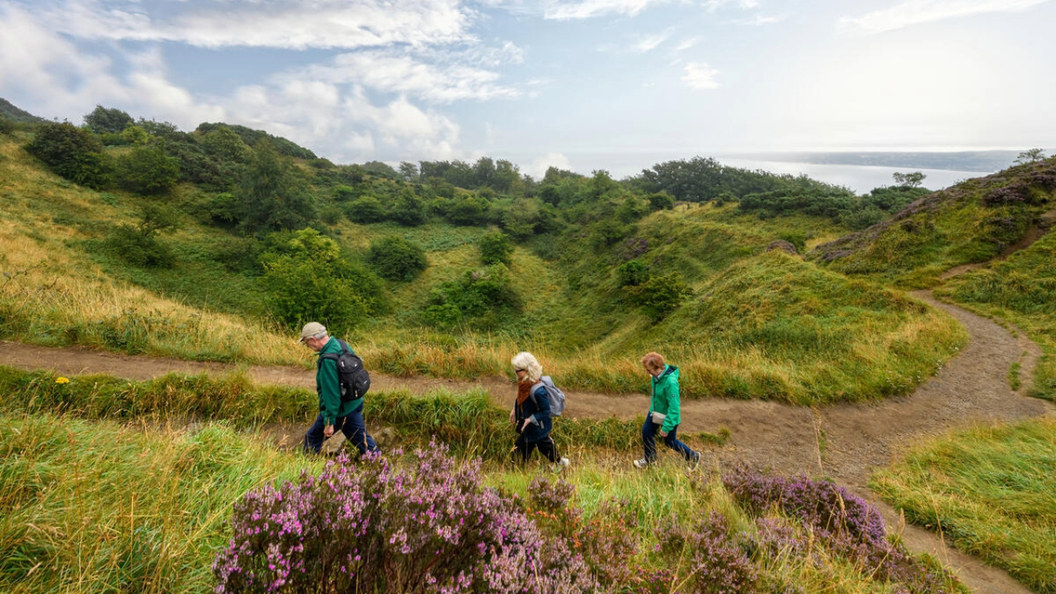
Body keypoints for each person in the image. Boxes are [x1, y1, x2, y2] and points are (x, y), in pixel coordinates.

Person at [299, 322, 379, 456]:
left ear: (312, 339)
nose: (308, 346)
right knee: (362, 441)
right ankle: (382, 467)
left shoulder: (327, 360)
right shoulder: (341, 344)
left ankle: (307, 471)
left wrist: (329, 421)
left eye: (306, 343)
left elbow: (331, 394)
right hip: (355, 403)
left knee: (312, 438)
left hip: (341, 411)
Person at [633, 352, 700, 469]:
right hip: (655, 412)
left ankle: (693, 456)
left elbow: (674, 409)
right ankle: (650, 460)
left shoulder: (671, 382)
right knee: (647, 432)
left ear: (658, 368)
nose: (647, 372)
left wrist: (666, 426)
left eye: (648, 370)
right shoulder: (655, 377)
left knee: (670, 442)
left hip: (669, 417)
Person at [509, 352, 569, 471]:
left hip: (537, 426)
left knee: (531, 448)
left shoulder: (538, 391)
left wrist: (529, 419)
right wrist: (514, 409)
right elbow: (521, 398)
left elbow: (546, 410)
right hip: (530, 427)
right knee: (538, 447)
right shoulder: (524, 383)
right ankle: (560, 463)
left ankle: (519, 471)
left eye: (517, 370)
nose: (515, 373)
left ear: (527, 370)